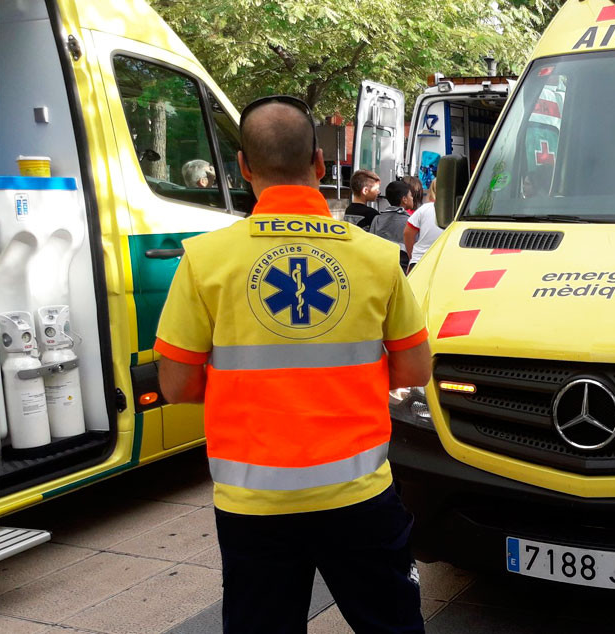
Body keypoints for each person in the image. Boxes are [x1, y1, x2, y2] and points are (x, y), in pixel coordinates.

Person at [154, 95, 430, 633]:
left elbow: (177, 383)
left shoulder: (205, 259)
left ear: (244, 167)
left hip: (254, 503)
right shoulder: (376, 256)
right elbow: (415, 372)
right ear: (321, 165)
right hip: (360, 497)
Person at [404, 178, 443, 274]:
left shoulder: (424, 209)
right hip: (445, 262)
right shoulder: (461, 211)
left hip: (420, 261)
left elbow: (407, 233)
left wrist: (412, 255)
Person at [372, 180, 413, 269]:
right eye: (411, 195)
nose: (412, 198)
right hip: (402, 269)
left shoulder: (377, 219)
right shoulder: (410, 222)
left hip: (380, 267)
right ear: (404, 199)